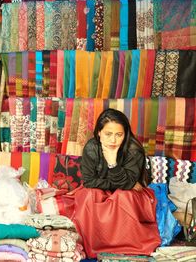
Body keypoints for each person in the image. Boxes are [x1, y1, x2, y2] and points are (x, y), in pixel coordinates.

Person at [67, 109, 161, 258]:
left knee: (123, 196)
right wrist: (120, 183)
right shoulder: (91, 148)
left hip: (129, 195)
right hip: (101, 189)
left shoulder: (133, 150)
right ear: (99, 132)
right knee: (90, 195)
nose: (113, 140)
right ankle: (94, 245)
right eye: (108, 134)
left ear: (126, 133)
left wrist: (112, 162)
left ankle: (125, 244)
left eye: (119, 135)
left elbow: (128, 186)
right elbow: (90, 181)